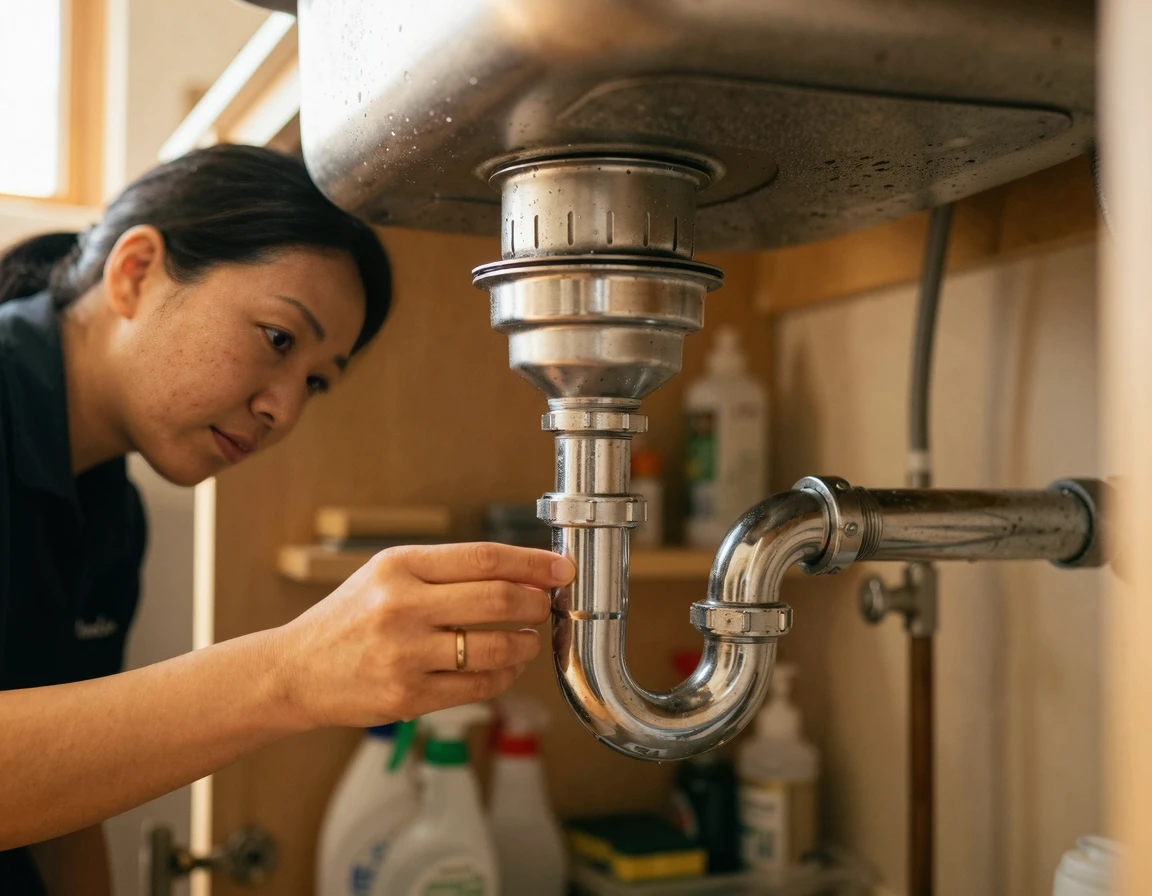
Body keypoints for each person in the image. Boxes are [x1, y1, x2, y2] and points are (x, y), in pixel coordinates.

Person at [0, 144, 573, 895]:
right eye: (276, 338)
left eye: (315, 382)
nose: (284, 408)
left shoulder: (110, 514)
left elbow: (71, 797)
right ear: (136, 270)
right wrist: (289, 672)